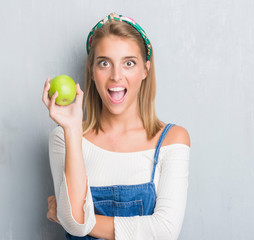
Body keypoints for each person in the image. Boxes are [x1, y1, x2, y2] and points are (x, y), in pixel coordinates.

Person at [42, 13, 191, 240]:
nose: (116, 76)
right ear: (92, 71)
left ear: (145, 70)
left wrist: (80, 219)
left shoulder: (172, 140)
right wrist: (72, 129)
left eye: (129, 63)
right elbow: (74, 223)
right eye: (104, 63)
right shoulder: (64, 137)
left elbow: (164, 232)